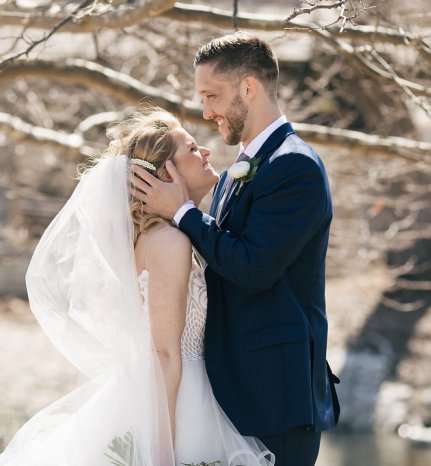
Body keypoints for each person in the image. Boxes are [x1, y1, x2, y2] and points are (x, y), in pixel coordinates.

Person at [0, 108, 274, 465]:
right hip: (181, 405)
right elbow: (164, 353)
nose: (206, 152)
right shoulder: (168, 242)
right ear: (166, 173)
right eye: (192, 149)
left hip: (183, 392)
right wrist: (162, 454)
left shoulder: (166, 236)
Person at [131, 33, 340, 466]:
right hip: (229, 396)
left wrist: (183, 212)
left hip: (277, 398)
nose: (206, 112)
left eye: (212, 96)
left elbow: (253, 268)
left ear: (248, 87)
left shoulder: (295, 166)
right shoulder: (230, 177)